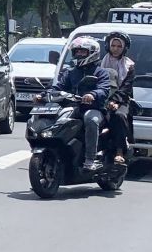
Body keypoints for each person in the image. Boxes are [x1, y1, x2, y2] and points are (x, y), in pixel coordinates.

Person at [52, 36, 112, 172]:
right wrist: (42, 95)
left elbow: (104, 89)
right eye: (76, 52)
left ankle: (90, 160)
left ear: (92, 53)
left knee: (90, 119)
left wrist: (92, 95)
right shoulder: (70, 72)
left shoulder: (101, 73)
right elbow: (58, 87)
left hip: (94, 108)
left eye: (82, 52)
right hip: (73, 107)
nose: (78, 54)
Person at [100, 31, 135, 166]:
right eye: (113, 45)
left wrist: (114, 101)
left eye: (119, 46)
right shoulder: (99, 63)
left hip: (121, 101)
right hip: (101, 98)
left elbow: (126, 88)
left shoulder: (129, 66)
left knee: (119, 116)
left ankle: (119, 151)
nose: (115, 48)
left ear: (124, 48)